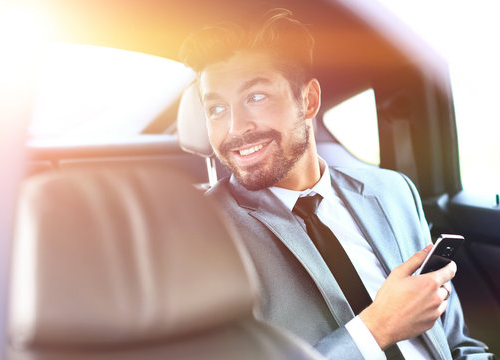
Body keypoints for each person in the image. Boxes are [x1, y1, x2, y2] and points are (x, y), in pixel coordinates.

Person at [179, 8, 494, 360]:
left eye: (256, 97)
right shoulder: (200, 232)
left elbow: (459, 345)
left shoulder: (393, 191)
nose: (236, 127)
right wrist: (377, 328)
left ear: (309, 100)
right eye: (217, 109)